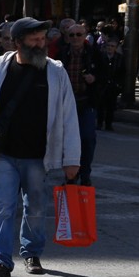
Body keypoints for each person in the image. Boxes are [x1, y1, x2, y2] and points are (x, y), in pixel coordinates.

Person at [0, 17, 81, 277]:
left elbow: (68, 116)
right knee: (3, 206)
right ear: (18, 42)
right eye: (34, 40)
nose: (41, 44)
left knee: (35, 207)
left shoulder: (55, 71)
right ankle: (0, 260)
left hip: (38, 155)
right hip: (2, 153)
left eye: (43, 39)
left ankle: (31, 252)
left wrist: (72, 158)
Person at [56, 23, 105, 185]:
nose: (76, 38)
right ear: (67, 37)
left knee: (87, 138)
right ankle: (71, 175)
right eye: (72, 35)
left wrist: (95, 78)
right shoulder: (62, 54)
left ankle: (85, 173)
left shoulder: (95, 54)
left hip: (86, 102)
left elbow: (107, 75)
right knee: (66, 140)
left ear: (85, 36)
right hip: (65, 104)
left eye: (79, 34)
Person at [98, 40, 125, 131]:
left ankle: (108, 124)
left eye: (112, 46)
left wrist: (119, 85)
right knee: (100, 105)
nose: (110, 48)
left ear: (116, 48)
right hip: (102, 84)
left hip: (113, 85)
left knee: (111, 106)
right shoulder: (101, 57)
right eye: (108, 46)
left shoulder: (119, 58)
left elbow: (122, 72)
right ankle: (99, 123)